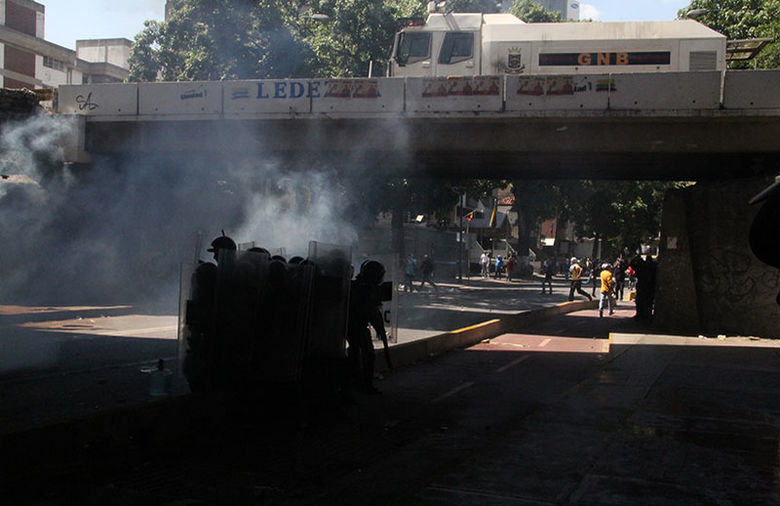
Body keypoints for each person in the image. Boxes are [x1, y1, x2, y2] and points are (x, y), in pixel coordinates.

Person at [346, 260, 389, 394]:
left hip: (351, 324)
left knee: (355, 352)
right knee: (368, 354)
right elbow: (373, 312)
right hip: (357, 325)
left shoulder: (356, 285)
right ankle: (364, 384)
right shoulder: (368, 289)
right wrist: (379, 329)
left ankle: (355, 382)